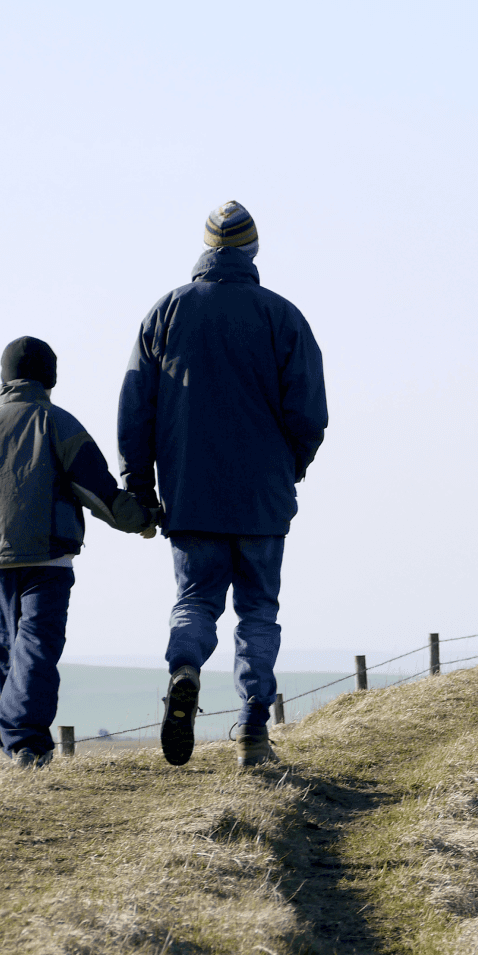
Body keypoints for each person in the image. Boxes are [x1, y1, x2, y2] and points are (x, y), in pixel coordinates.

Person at [117, 201, 327, 768]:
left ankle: (184, 669)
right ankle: (253, 729)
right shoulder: (283, 317)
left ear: (206, 250)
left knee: (195, 601)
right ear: (253, 251)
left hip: (190, 495)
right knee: (258, 611)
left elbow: (136, 409)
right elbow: (310, 413)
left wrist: (141, 486)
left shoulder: (166, 313)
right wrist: (290, 468)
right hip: (263, 498)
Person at [0, 336, 156, 767]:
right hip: (48, 561)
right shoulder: (58, 423)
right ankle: (28, 746)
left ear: (5, 378)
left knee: (9, 656)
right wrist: (144, 521)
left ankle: (18, 749)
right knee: (36, 651)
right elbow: (97, 492)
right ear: (51, 377)